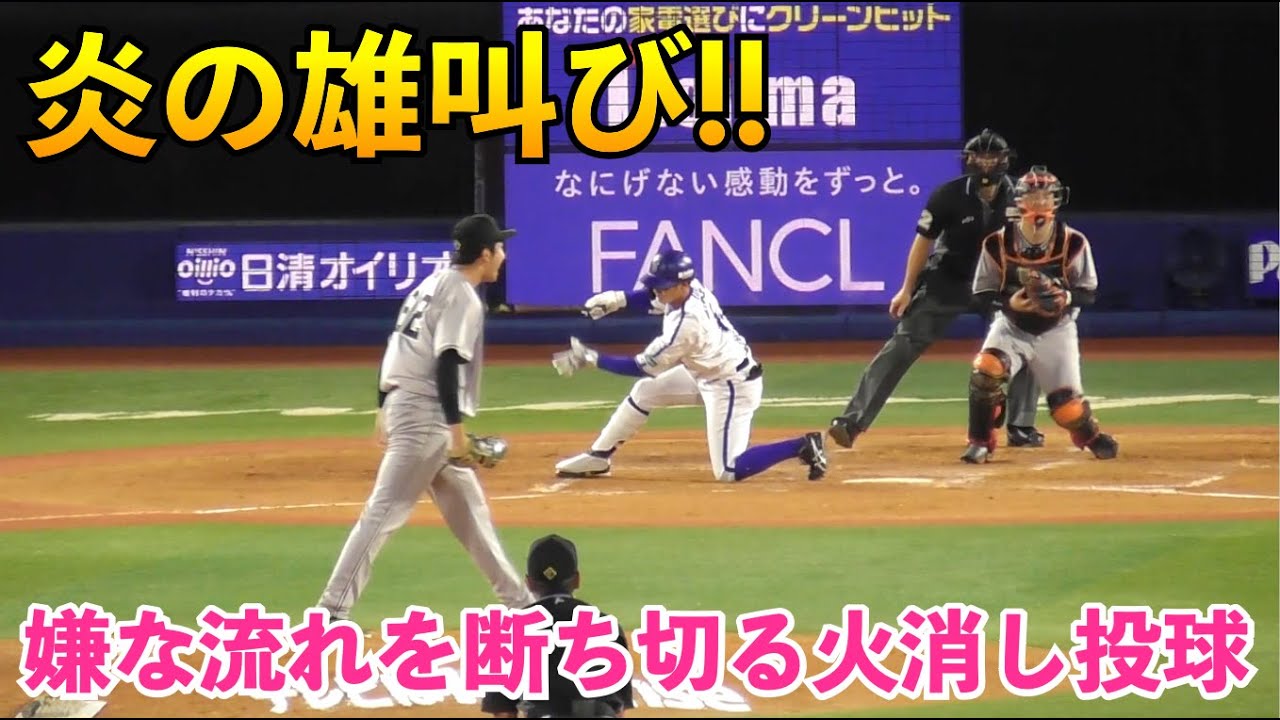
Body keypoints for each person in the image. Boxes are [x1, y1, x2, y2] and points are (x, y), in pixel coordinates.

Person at [315, 213, 535, 628]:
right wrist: (456, 434)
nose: (504, 255)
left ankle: (522, 606)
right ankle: (331, 611)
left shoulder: (431, 283)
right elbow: (447, 362)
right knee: (383, 512)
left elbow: (397, 343)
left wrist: (383, 405)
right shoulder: (463, 296)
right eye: (499, 247)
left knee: (471, 514)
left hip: (409, 405)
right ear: (484, 254)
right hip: (425, 416)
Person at [828, 129, 1045, 450]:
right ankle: (852, 421)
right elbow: (923, 242)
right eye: (979, 157)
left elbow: (1037, 241)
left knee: (1029, 334)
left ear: (1004, 160)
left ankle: (1021, 425)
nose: (986, 163)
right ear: (968, 160)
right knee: (903, 343)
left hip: (1000, 283)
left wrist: (1032, 284)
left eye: (992, 157)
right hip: (949, 279)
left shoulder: (1021, 197)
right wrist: (906, 289)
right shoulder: (948, 194)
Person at [551, 249, 829, 482]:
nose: (658, 290)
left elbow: (642, 366)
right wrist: (618, 299)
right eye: (657, 284)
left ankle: (802, 446)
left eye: (664, 286)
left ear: (682, 285)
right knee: (644, 392)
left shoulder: (687, 325)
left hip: (732, 386)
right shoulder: (691, 289)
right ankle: (598, 456)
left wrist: (592, 358)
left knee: (729, 470)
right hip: (707, 372)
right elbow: (650, 297)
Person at [962, 165, 1118, 463]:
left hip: (1057, 329)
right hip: (1011, 326)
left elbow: (1088, 292)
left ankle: (1088, 434)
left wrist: (1063, 297)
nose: (1040, 202)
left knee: (1067, 408)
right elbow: (980, 295)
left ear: (1057, 200)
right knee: (986, 370)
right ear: (1019, 200)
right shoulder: (997, 242)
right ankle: (980, 440)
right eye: (1033, 196)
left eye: (1046, 196)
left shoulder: (1073, 241)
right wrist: (1010, 303)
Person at [482, 534, 635, 719]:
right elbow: (619, 709)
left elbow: (503, 711)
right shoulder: (607, 625)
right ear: (577, 579)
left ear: (529, 583)